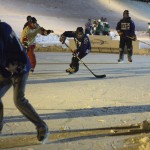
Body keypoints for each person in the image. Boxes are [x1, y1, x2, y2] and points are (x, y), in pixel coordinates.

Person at [0, 21, 49, 142]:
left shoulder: (3, 29)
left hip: (19, 67)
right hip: (6, 66)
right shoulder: (4, 26)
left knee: (18, 100)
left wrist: (7, 69)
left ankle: (42, 126)